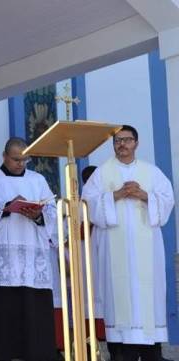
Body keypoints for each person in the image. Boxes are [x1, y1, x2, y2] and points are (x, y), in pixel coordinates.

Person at [82, 125, 174, 361]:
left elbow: (167, 201)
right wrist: (115, 195)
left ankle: (152, 352)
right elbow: (87, 205)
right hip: (115, 251)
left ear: (136, 143)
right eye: (117, 141)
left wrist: (144, 195)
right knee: (119, 297)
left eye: (127, 140)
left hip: (147, 250)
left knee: (148, 297)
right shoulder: (101, 174)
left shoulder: (151, 173)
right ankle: (121, 352)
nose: (122, 144)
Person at [0, 137, 58, 361]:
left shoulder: (38, 180)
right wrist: (7, 207)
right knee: (5, 321)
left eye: (25, 159)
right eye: (15, 159)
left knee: (34, 321)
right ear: (4, 156)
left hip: (32, 263)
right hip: (3, 266)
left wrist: (38, 214)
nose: (20, 164)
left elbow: (53, 212)